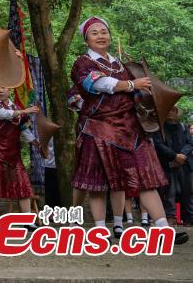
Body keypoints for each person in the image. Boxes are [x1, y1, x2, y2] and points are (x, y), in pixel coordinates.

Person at [70, 16, 186, 244]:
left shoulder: (120, 65)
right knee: (98, 184)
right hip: (99, 128)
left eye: (104, 31)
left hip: (131, 130)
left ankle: (163, 230)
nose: (101, 36)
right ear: (86, 39)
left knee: (146, 178)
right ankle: (101, 233)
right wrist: (133, 84)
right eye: (95, 33)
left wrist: (147, 102)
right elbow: (96, 84)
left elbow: (134, 95)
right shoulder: (82, 63)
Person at [0, 85, 39, 231]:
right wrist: (25, 111)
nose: (1, 90)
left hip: (13, 154)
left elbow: (24, 129)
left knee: (23, 185)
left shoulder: (16, 106)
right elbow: (4, 114)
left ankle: (27, 220)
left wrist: (36, 143)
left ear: (9, 90)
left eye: (4, 88)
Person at [153, 106, 192, 226]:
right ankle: (170, 216)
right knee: (169, 191)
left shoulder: (184, 127)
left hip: (184, 164)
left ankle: (189, 217)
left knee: (188, 191)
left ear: (176, 113)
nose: (170, 112)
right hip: (167, 164)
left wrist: (182, 157)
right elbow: (158, 145)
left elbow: (190, 142)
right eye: (168, 110)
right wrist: (174, 156)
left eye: (173, 110)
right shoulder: (159, 128)